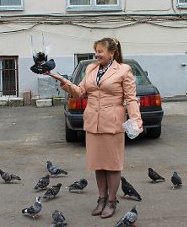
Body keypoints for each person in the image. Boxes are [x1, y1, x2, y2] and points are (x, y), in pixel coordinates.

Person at [45, 37, 143, 219]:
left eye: (100, 51)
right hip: (93, 123)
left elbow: (131, 98)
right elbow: (80, 91)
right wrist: (62, 80)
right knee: (98, 164)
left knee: (112, 165)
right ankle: (101, 198)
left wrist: (136, 120)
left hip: (112, 124)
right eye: (95, 51)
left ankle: (112, 201)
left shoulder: (124, 70)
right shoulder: (91, 69)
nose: (96, 54)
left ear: (112, 53)